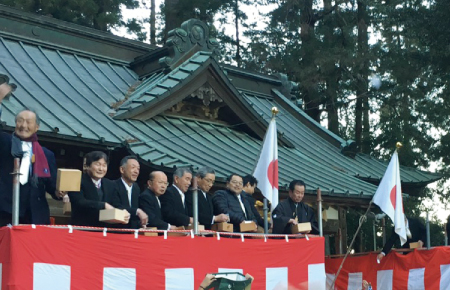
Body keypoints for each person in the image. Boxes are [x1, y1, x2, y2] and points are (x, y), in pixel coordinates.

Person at [0, 89, 64, 225]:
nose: (23, 125)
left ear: (37, 127)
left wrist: (59, 192)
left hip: (34, 213)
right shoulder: (4, 142)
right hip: (5, 210)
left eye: (28, 122)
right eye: (20, 121)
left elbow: (51, 185)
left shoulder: (46, 154)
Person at [68, 151, 130, 227]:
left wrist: (123, 213)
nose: (101, 169)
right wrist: (103, 205)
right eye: (97, 164)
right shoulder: (76, 181)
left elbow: (116, 204)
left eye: (104, 165)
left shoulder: (110, 184)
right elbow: (79, 202)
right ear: (87, 166)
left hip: (103, 230)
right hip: (82, 228)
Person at [112, 156, 148, 229]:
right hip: (117, 230)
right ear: (122, 169)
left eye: (138, 168)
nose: (136, 171)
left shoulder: (136, 188)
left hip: (133, 231)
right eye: (133, 167)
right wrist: (137, 211)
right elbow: (116, 207)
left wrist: (141, 222)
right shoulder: (113, 185)